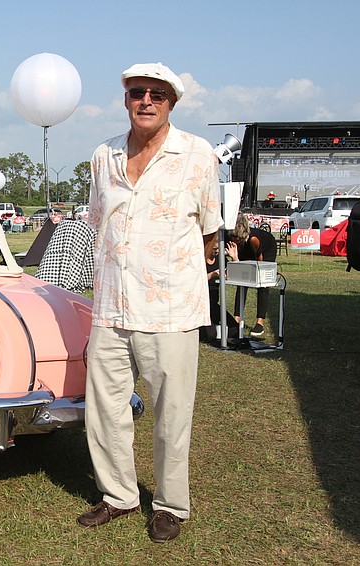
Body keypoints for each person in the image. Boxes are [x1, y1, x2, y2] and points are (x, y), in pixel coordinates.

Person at [78, 62, 221, 543]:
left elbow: (209, 232)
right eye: (137, 92)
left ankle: (170, 506)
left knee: (171, 413)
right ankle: (118, 495)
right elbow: (100, 221)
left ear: (171, 103)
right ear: (125, 99)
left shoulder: (198, 155)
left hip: (170, 309)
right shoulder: (104, 156)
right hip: (112, 305)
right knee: (105, 409)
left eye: (157, 95)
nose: (146, 101)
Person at [228, 214, 277, 337]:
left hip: (266, 249)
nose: (235, 240)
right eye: (233, 237)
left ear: (243, 236)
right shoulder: (232, 238)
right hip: (246, 250)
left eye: (237, 238)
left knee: (262, 283)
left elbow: (259, 259)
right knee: (242, 282)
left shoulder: (253, 239)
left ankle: (260, 322)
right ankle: (237, 319)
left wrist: (258, 273)